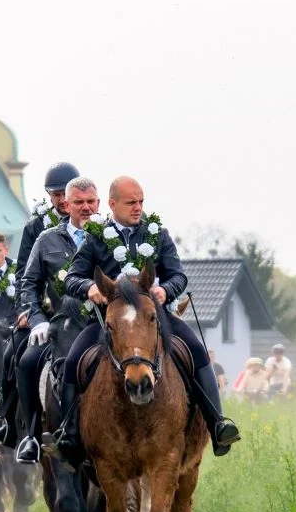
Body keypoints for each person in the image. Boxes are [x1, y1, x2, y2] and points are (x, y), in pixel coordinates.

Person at [55, 176, 240, 461]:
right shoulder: (94, 238)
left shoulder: (158, 234)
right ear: (113, 204)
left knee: (197, 351)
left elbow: (179, 275)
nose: (138, 208)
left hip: (156, 318)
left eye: (141, 202)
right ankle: (68, 435)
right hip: (112, 322)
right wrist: (89, 288)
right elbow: (72, 278)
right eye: (131, 202)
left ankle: (217, 423)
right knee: (73, 361)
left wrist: (166, 290)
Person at [13, 174, 99, 465]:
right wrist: (36, 319)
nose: (84, 207)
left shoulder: (108, 236)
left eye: (90, 202)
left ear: (98, 203)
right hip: (58, 324)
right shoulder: (46, 239)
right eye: (77, 202)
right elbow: (29, 283)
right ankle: (33, 436)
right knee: (26, 362)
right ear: (67, 204)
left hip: (99, 322)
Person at [15, 162, 80, 275]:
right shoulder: (35, 226)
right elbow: (23, 272)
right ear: (49, 194)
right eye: (56, 195)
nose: (62, 200)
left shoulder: (91, 223)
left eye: (65, 193)